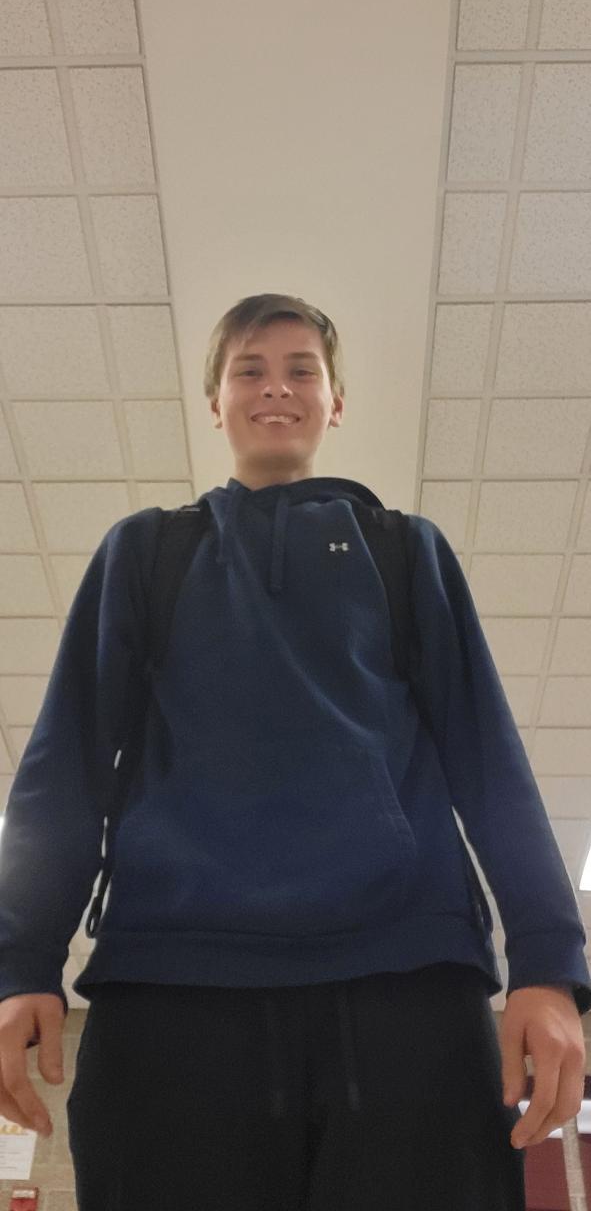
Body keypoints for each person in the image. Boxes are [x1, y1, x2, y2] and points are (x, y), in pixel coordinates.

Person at [0, 293, 588, 1211]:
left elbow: (489, 762)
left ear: (334, 402)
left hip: (406, 980)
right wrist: (21, 959)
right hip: (172, 983)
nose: (275, 387)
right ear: (216, 402)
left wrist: (548, 967)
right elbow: (63, 767)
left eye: (300, 370)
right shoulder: (146, 551)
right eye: (249, 369)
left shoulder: (405, 551)